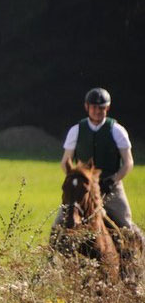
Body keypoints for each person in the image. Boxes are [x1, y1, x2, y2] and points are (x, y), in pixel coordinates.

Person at [53, 87, 142, 240]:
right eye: (94, 107)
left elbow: (128, 163)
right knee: (59, 224)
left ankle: (133, 258)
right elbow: (65, 161)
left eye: (101, 108)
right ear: (87, 107)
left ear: (107, 108)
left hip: (110, 185)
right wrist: (75, 179)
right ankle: (51, 258)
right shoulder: (76, 130)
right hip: (83, 187)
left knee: (125, 223)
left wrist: (113, 180)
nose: (97, 111)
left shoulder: (117, 130)